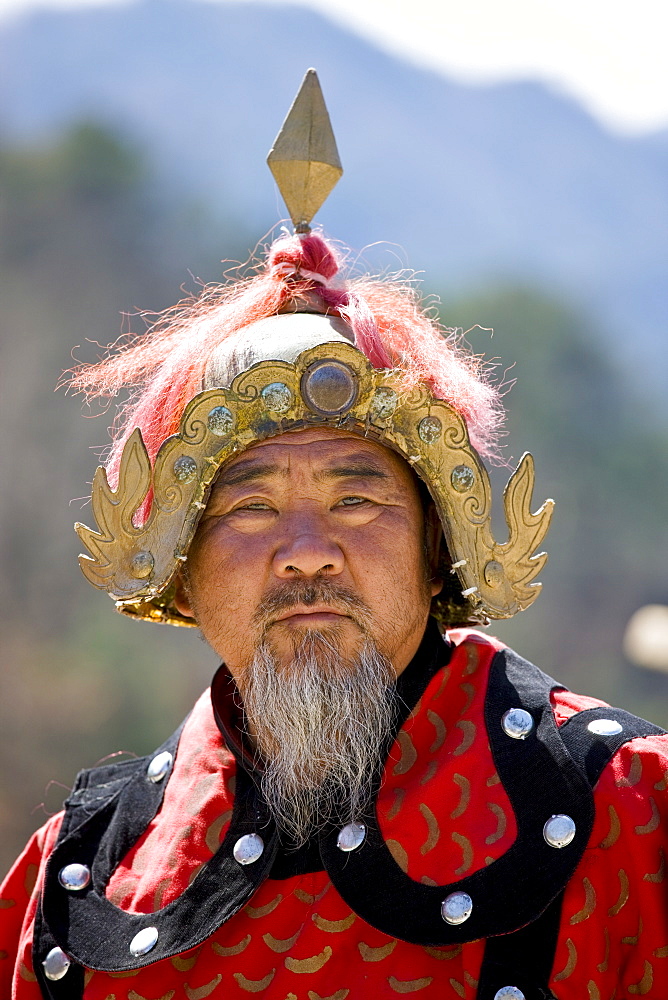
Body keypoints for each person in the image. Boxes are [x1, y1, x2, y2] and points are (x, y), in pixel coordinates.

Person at [2, 72, 667, 1000]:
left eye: (357, 500)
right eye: (249, 506)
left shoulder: (637, 814)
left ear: (441, 545)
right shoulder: (75, 874)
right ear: (180, 571)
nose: (306, 549)